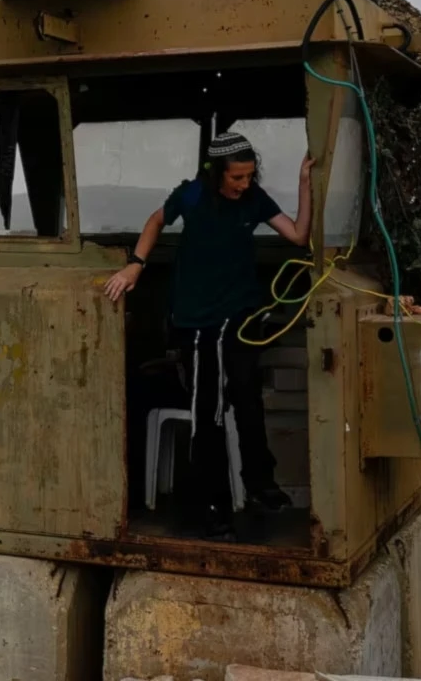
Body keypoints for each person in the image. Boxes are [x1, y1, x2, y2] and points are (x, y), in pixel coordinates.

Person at [103, 132, 314, 540]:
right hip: (197, 323)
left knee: (248, 397)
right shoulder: (192, 195)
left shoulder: (254, 199)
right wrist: (135, 265)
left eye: (250, 176)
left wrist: (304, 184)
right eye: (237, 178)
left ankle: (259, 485)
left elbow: (298, 236)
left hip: (238, 315)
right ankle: (213, 506)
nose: (244, 184)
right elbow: (155, 220)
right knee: (209, 414)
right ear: (218, 173)